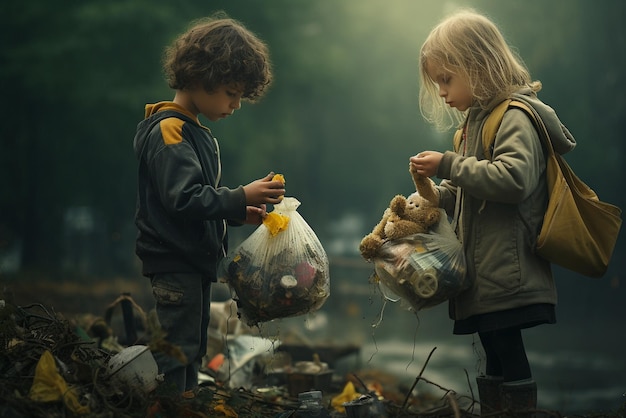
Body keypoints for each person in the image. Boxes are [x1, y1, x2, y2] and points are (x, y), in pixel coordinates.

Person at [409, 10, 576, 417]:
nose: (443, 93)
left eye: (447, 79)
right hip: (486, 271)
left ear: (479, 66)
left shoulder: (515, 116)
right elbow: (470, 190)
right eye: (437, 84)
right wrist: (433, 195)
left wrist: (448, 164)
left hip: (507, 267)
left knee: (506, 346)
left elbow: (514, 179)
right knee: (493, 347)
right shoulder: (473, 123)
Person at [133, 15, 285, 397]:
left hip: (192, 260)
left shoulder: (192, 130)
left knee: (194, 347)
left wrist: (237, 212)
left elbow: (195, 202)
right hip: (174, 260)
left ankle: (183, 402)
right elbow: (182, 198)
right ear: (202, 79)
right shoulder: (170, 130)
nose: (236, 105)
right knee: (176, 348)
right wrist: (239, 195)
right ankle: (168, 405)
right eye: (231, 93)